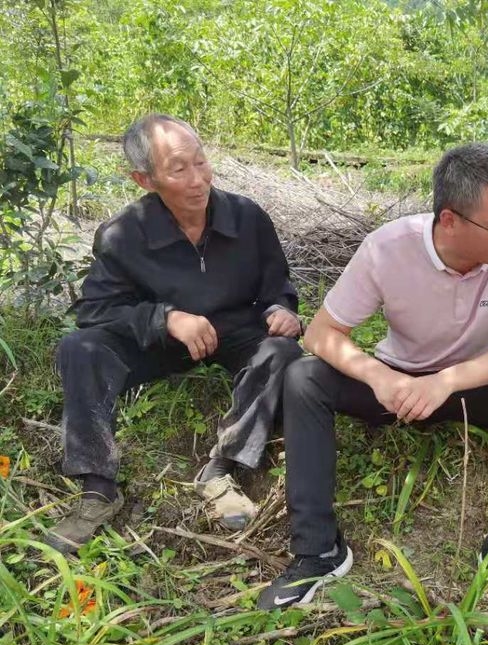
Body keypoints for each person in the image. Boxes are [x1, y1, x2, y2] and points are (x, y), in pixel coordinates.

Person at [257, 142, 488, 615]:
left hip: (468, 389)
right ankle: (316, 551)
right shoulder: (388, 247)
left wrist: (446, 381)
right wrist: (377, 376)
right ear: (450, 220)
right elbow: (321, 332)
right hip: (396, 386)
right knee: (303, 377)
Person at [47, 114, 302, 554]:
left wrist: (283, 311)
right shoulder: (122, 234)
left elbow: (276, 288)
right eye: (178, 169)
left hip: (234, 331)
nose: (197, 179)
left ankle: (221, 469)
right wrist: (167, 319)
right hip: (160, 340)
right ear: (144, 179)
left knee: (284, 352)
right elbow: (96, 311)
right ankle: (97, 487)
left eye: (200, 162)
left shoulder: (247, 217)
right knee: (79, 347)